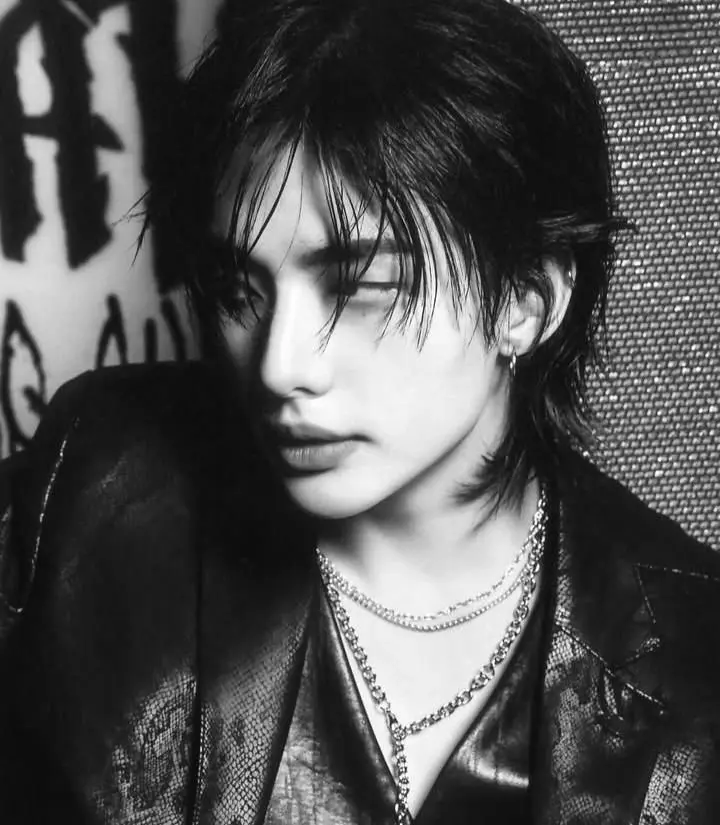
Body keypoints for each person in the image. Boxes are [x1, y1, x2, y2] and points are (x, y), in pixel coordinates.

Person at [0, 0, 718, 822]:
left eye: (361, 286)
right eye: (242, 288)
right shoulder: (93, 491)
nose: (281, 365)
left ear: (527, 300)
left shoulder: (700, 659)